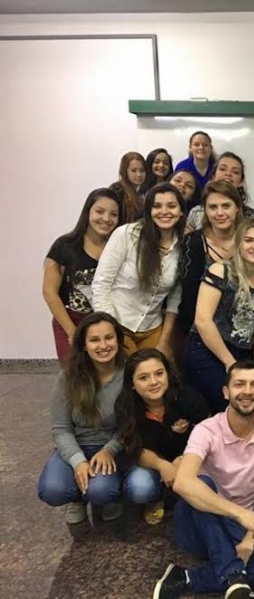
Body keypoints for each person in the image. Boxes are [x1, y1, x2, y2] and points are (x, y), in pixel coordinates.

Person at [152, 360, 254, 599]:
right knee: (202, 484)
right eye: (239, 384)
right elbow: (182, 483)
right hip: (199, 526)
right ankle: (234, 576)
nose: (247, 391)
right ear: (226, 392)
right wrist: (240, 514)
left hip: (237, 528)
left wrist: (249, 539)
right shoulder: (206, 429)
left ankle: (186, 577)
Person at [37, 312, 129, 524]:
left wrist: (109, 449)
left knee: (101, 492)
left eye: (109, 337)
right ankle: (76, 498)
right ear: (84, 345)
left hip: (111, 448)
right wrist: (78, 461)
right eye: (94, 340)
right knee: (52, 490)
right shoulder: (67, 377)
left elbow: (131, 425)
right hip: (76, 446)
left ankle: (110, 495)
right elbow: (61, 429)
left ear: (118, 340)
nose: (103, 345)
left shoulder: (128, 375)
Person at [184, 217, 254, 413]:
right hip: (207, 350)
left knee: (250, 405)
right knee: (230, 406)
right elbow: (203, 321)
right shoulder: (221, 270)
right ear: (239, 244)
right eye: (249, 240)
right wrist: (229, 363)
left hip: (242, 354)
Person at [115, 348, 209, 524]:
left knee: (205, 482)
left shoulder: (189, 398)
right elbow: (134, 449)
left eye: (159, 374)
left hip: (190, 458)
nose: (154, 382)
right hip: (151, 462)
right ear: (132, 384)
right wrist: (162, 465)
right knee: (140, 487)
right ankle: (155, 498)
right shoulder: (124, 406)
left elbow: (208, 438)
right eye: (143, 378)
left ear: (168, 374)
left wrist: (183, 460)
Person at [92, 183, 185, 358]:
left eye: (171, 206)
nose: (164, 211)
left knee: (162, 369)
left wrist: (164, 341)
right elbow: (101, 284)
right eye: (157, 206)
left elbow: (175, 298)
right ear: (148, 210)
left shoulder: (184, 246)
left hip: (152, 327)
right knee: (131, 371)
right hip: (117, 323)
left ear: (181, 212)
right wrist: (110, 331)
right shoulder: (126, 234)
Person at [43, 188, 124, 363]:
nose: (106, 219)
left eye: (114, 214)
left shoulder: (120, 247)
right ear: (88, 212)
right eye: (99, 211)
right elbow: (49, 292)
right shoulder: (65, 245)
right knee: (75, 373)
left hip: (109, 323)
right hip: (71, 320)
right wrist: (72, 331)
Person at [177, 180, 244, 341]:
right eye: (213, 207)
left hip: (241, 333)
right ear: (205, 210)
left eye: (226, 206)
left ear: (237, 207)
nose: (220, 213)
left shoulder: (249, 241)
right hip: (199, 332)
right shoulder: (193, 242)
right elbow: (189, 296)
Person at [184, 151, 254, 232]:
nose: (228, 174)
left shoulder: (252, 216)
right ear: (213, 176)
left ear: (241, 182)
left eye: (235, 172)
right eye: (222, 169)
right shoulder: (196, 213)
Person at [114, 151, 147, 221]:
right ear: (125, 171)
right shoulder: (118, 190)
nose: (139, 174)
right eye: (133, 170)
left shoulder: (140, 192)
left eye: (142, 170)